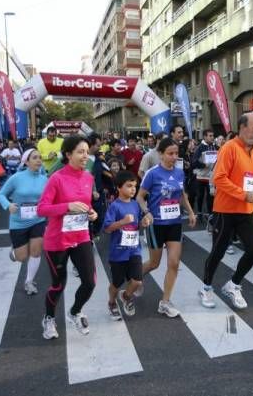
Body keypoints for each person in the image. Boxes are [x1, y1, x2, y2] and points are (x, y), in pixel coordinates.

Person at [198, 113, 253, 309]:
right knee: (218, 252)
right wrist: (243, 194)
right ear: (242, 127)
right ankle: (205, 287)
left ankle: (234, 284)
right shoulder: (229, 148)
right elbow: (219, 179)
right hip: (226, 210)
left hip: (247, 210)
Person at [37, 135, 99, 340]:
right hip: (57, 241)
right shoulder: (57, 178)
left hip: (80, 236)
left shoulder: (89, 177)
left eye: (87, 151)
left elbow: (85, 204)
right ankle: (49, 318)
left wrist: (92, 213)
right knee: (58, 285)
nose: (85, 155)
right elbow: (42, 209)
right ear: (68, 154)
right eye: (80, 152)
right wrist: (67, 206)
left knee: (90, 282)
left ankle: (75, 311)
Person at [137, 138, 197, 317]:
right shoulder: (152, 173)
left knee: (174, 262)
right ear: (161, 154)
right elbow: (140, 197)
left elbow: (182, 195)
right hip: (156, 223)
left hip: (174, 223)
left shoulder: (179, 173)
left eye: (176, 153)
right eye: (170, 153)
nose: (173, 157)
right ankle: (134, 277)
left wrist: (191, 212)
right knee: (154, 264)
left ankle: (165, 301)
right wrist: (146, 212)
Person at [0, 149, 47, 295]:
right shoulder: (17, 178)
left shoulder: (45, 179)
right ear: (26, 161)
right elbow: (1, 194)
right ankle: (14, 252)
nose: (39, 160)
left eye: (40, 157)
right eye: (35, 158)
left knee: (36, 252)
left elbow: (50, 198)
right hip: (18, 222)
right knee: (21, 257)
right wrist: (8, 205)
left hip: (38, 220)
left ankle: (29, 282)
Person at [103, 170, 150, 319]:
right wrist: (122, 222)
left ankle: (127, 296)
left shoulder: (136, 205)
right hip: (118, 252)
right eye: (129, 186)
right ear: (118, 187)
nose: (133, 189)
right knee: (116, 283)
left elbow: (137, 224)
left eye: (134, 186)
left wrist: (144, 222)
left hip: (134, 250)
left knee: (137, 281)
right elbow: (107, 228)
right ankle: (111, 302)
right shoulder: (114, 206)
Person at [192, 128, 219, 220]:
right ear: (204, 137)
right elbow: (194, 162)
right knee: (200, 196)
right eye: (210, 136)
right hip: (201, 176)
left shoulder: (216, 147)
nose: (212, 138)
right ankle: (199, 212)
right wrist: (204, 164)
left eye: (213, 136)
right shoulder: (199, 148)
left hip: (211, 177)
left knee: (210, 196)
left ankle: (210, 213)